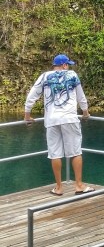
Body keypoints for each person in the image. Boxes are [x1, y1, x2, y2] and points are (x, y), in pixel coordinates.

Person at [24, 54, 94, 196]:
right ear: (63, 65)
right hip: (69, 118)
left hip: (51, 120)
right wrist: (85, 112)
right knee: (75, 151)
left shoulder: (45, 76)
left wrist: (27, 114)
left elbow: (32, 94)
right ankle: (79, 186)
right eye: (67, 64)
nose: (68, 66)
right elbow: (81, 97)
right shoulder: (72, 75)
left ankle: (59, 188)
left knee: (55, 153)